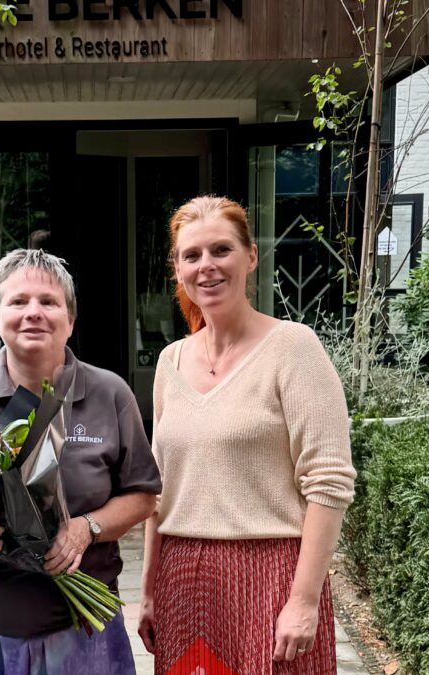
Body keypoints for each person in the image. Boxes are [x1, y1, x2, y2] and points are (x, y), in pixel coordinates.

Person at [138, 196, 356, 674]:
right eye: (192, 255)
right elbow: (159, 490)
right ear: (177, 269)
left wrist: (304, 601)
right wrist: (150, 591)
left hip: (272, 575)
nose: (207, 266)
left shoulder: (293, 349)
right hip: (184, 582)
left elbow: (329, 483)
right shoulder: (169, 362)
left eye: (221, 250)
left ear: (251, 256)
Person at [0, 248, 162, 675]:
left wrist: (86, 528)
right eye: (18, 301)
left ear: (70, 320)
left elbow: (143, 496)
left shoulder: (110, 393)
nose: (34, 313)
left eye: (49, 302)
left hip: (80, 630)